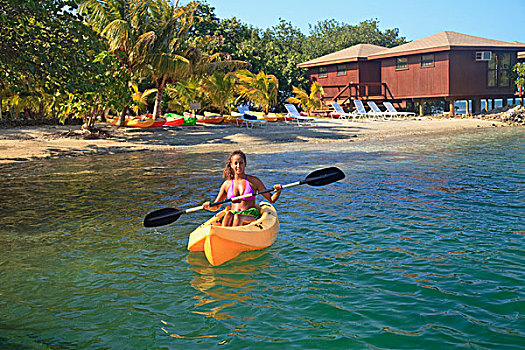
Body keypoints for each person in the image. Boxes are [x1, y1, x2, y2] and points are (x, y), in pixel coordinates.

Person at [203, 150, 282, 227]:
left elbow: (271, 199)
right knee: (228, 214)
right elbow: (216, 206)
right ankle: (223, 235)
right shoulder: (227, 184)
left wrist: (277, 192)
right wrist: (208, 206)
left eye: (241, 163)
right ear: (231, 165)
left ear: (245, 164)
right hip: (233, 215)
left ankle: (232, 236)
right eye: (235, 163)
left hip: (250, 215)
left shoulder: (254, 181)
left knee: (237, 217)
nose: (238, 166)